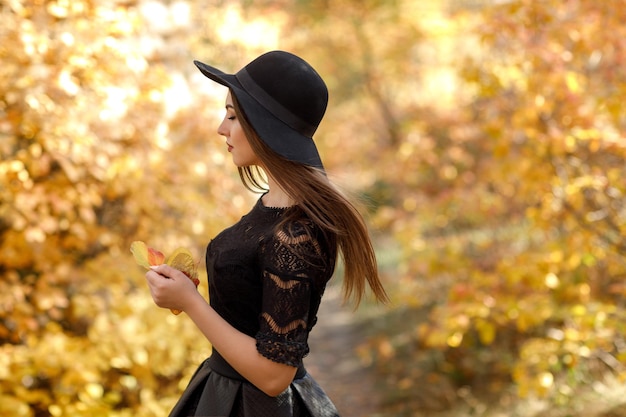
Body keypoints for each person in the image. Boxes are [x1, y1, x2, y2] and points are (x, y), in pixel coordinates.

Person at [145, 50, 388, 417]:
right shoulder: (271, 206)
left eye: (231, 116)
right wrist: (191, 292)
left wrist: (192, 304)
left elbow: (275, 376)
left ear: (263, 124)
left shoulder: (296, 234)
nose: (221, 128)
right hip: (221, 392)